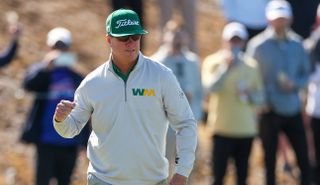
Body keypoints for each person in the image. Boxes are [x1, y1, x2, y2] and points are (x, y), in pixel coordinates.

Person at [53, 9, 197, 185]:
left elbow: (185, 123)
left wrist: (182, 172)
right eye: (123, 37)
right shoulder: (92, 83)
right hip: (103, 180)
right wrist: (60, 120)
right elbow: (71, 129)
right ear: (109, 40)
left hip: (152, 181)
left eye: (135, 36)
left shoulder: (162, 76)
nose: (131, 42)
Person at [246, 0, 311, 184]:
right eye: (277, 19)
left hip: (292, 107)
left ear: (289, 19)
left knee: (303, 157)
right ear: (269, 19)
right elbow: (251, 77)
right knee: (269, 161)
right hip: (269, 109)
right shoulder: (257, 46)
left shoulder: (298, 44)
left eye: (283, 18)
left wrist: (296, 84)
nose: (280, 22)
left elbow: (305, 74)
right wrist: (260, 101)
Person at [20, 27, 90, 185]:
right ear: (49, 47)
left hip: (69, 142)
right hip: (45, 141)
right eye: (55, 47)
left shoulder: (76, 75)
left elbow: (85, 107)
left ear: (68, 49)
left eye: (63, 47)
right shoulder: (42, 70)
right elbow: (28, 84)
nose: (59, 51)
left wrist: (86, 141)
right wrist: (46, 67)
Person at [202, 22, 264, 185]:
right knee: (218, 177)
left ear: (243, 43)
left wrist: (249, 95)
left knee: (242, 177)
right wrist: (225, 68)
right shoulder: (213, 62)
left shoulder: (252, 66)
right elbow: (210, 88)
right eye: (231, 40)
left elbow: (260, 98)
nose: (234, 44)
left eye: (238, 41)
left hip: (245, 131)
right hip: (221, 129)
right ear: (224, 41)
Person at [151, 20, 203, 180]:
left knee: (186, 169)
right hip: (164, 128)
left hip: (188, 124)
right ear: (165, 36)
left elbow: (199, 92)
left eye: (181, 36)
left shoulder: (193, 62)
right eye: (174, 35)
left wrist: (196, 118)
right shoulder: (156, 62)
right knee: (163, 169)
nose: (178, 40)